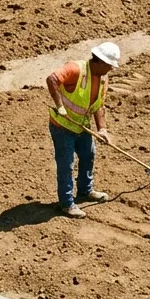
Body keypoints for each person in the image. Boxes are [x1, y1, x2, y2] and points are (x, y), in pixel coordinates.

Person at [46, 42, 120, 218]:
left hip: (82, 126)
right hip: (63, 127)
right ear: (100, 61)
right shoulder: (76, 69)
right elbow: (52, 79)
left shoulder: (103, 78)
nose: (111, 69)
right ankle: (67, 204)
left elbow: (98, 106)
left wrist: (102, 129)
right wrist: (59, 106)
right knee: (66, 165)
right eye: (109, 65)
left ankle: (86, 191)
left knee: (88, 155)